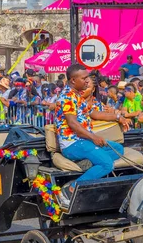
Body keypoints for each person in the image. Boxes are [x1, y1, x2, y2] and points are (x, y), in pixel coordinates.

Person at [55, 64, 130, 205]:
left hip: (84, 141)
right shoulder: (67, 97)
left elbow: (94, 113)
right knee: (107, 164)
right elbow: (73, 124)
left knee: (118, 149)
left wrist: (117, 117)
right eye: (84, 78)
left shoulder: (78, 96)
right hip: (73, 143)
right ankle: (70, 189)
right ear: (72, 80)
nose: (86, 81)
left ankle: (90, 163)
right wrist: (94, 137)